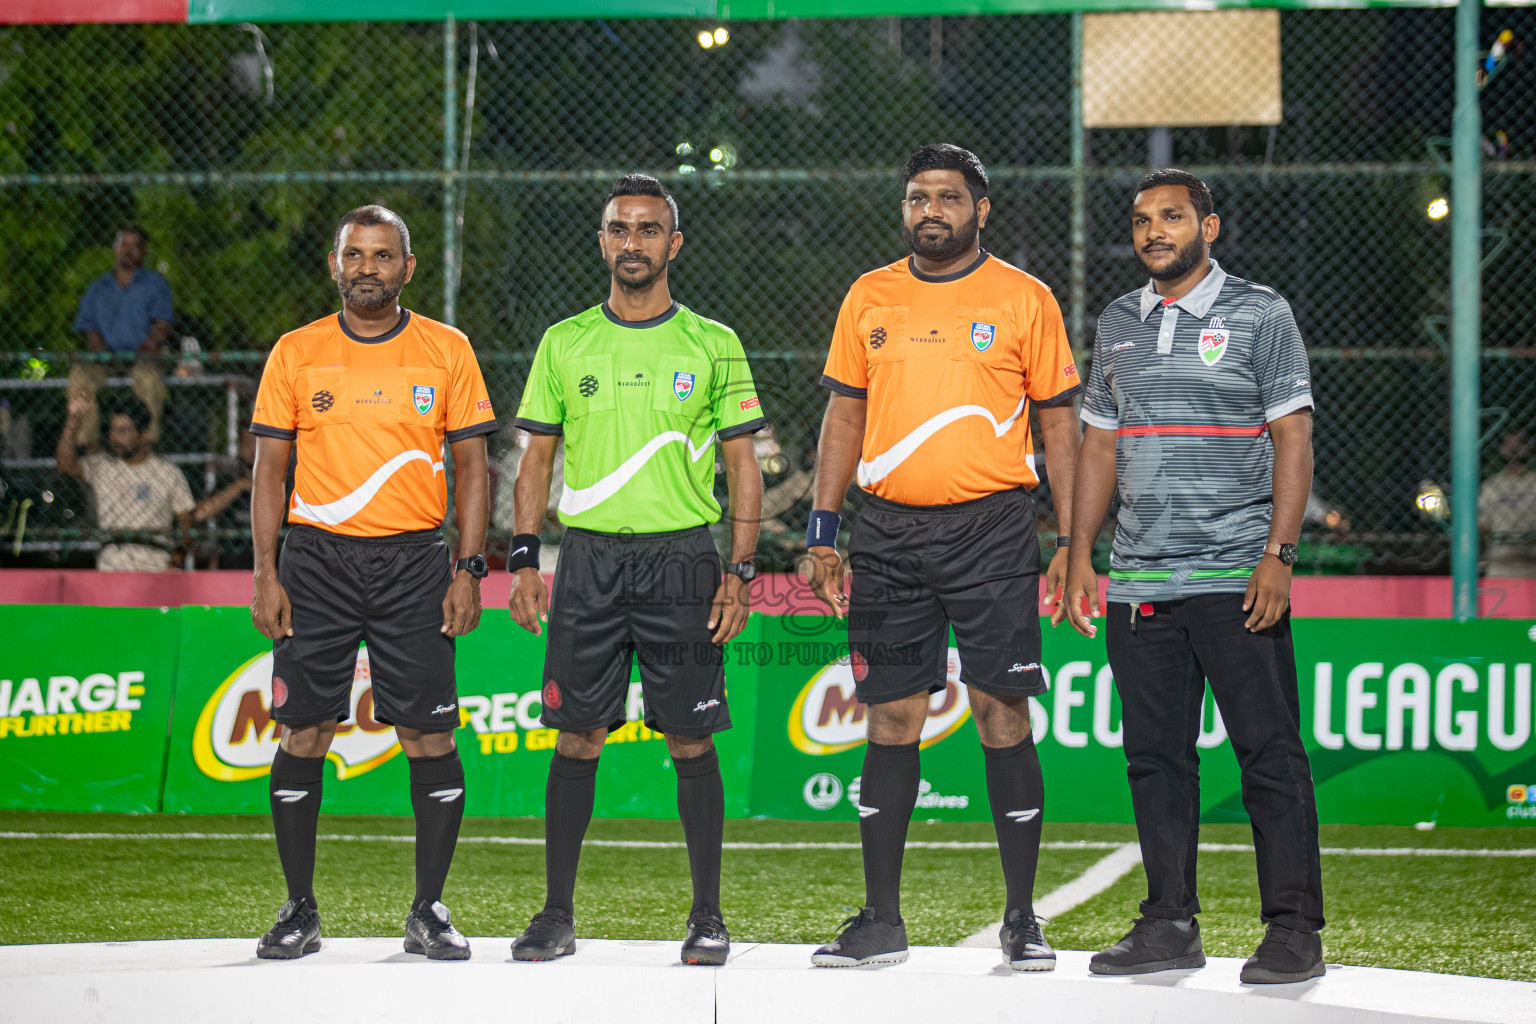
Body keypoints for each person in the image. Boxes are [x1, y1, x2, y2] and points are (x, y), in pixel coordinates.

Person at [806, 143, 1082, 970]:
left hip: (994, 533)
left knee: (1003, 712)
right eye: (918, 196)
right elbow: (844, 420)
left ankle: (1022, 918)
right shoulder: (869, 296)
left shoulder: (1025, 299)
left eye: (949, 197)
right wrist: (823, 529)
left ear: (980, 210)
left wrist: (1072, 541)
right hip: (886, 535)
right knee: (891, 714)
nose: (932, 209)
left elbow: (1060, 426)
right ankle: (881, 921)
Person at [1062, 169, 1325, 985]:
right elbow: (1099, 447)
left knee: (1270, 755)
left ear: (1208, 226)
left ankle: (1294, 929)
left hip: (1236, 576)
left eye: (1172, 217)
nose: (1154, 232)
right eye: (1141, 220)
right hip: (1141, 583)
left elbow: (1293, 437)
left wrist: (1278, 556)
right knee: (1156, 760)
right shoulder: (1118, 322)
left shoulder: (1260, 312)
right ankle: (1169, 921)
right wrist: (1078, 553)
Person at [507, 173, 765, 967]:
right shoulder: (565, 341)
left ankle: (708, 916)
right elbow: (535, 461)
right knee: (576, 737)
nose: (632, 243)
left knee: (689, 737)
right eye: (619, 229)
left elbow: (743, 466)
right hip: (586, 560)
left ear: (673, 244)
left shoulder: (713, 343)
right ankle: (555, 914)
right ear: (602, 241)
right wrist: (523, 557)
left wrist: (742, 570)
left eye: (648, 230)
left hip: (683, 559)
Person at [247, 204, 496, 962]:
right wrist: (265, 571)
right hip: (315, 564)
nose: (367, 267)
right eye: (354, 254)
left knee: (429, 733)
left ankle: (428, 910)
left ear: (406, 268)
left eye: (383, 256)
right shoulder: (296, 352)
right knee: (305, 731)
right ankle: (298, 910)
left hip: (416, 564)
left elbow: (475, 470)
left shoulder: (446, 350)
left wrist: (468, 567)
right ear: (334, 264)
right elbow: (269, 471)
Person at [55, 394, 193, 571]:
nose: (114, 437)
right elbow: (64, 464)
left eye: (124, 431)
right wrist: (74, 418)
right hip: (112, 560)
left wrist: (176, 559)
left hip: (155, 560)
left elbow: (187, 522)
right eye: (113, 430)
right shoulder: (102, 465)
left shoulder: (167, 472)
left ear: (143, 435)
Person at [69, 226, 173, 447]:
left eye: (134, 246)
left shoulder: (156, 284)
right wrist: (104, 356)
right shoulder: (98, 287)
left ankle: (146, 442)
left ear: (144, 252)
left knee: (148, 378)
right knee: (80, 376)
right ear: (115, 249)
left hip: (145, 356)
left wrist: (139, 353)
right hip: (107, 358)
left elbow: (161, 328)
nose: (128, 251)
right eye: (123, 245)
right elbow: (90, 330)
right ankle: (89, 445)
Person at [1479, 428, 1536, 577]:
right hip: (1501, 560)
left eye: (1519, 443)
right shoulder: (1491, 485)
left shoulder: (1534, 482)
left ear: (1529, 448)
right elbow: (1483, 524)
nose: (1514, 448)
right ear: (1502, 450)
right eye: (1509, 444)